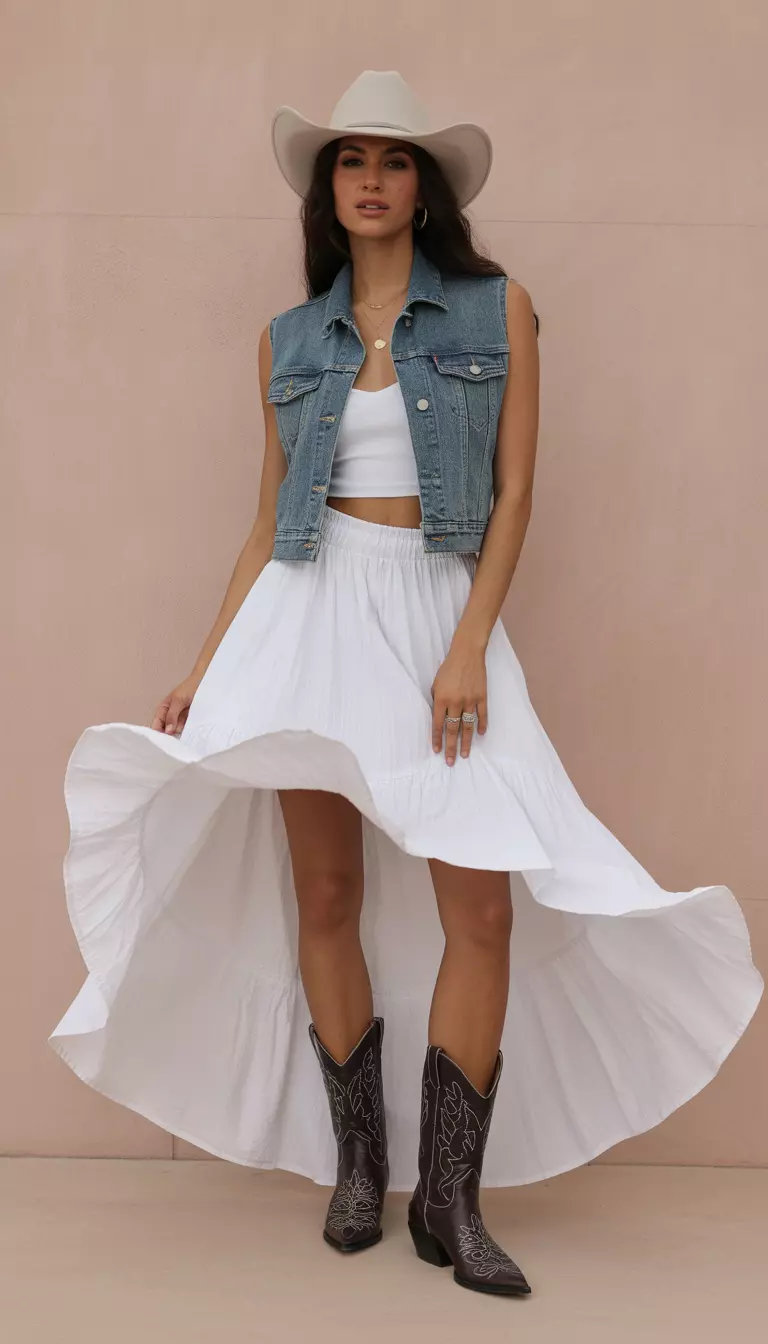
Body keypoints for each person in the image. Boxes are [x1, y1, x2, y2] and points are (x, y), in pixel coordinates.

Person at [49, 70, 762, 1299]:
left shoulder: (497, 312)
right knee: (321, 893)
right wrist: (206, 665)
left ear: (425, 188)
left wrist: (472, 639)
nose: (371, 178)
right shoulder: (287, 340)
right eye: (349, 160)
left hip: (435, 606)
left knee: (480, 910)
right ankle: (354, 1163)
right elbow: (269, 520)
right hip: (306, 615)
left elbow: (518, 495)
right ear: (328, 189)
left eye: (393, 159)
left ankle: (451, 1197)